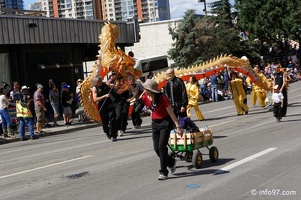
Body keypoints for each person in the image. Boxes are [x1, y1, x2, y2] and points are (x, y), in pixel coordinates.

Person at [141, 79, 183, 180]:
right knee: (156, 148)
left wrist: (178, 126)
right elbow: (138, 99)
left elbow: (171, 112)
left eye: (147, 89)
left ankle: (163, 172)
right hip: (155, 123)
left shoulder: (162, 97)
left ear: (152, 90)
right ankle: (171, 162)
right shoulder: (144, 97)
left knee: (161, 147)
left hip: (165, 122)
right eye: (145, 88)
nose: (145, 90)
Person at [106, 72, 122, 142]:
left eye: (115, 75)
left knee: (118, 116)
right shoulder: (108, 82)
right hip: (111, 103)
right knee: (112, 119)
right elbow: (108, 84)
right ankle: (113, 134)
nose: (114, 76)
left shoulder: (119, 81)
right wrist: (112, 84)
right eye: (113, 75)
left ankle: (118, 129)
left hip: (118, 102)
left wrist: (116, 84)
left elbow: (120, 86)